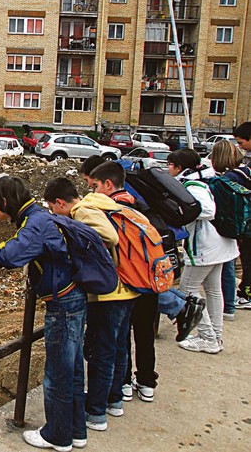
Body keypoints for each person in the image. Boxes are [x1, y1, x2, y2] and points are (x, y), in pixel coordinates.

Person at [86, 161, 201, 402]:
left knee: (122, 335)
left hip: (128, 279)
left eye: (94, 186)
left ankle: (124, 382)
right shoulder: (141, 203)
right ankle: (147, 382)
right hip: (151, 276)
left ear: (108, 184)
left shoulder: (111, 209)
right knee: (145, 333)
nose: (92, 191)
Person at [0, 176, 86, 451]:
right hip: (73, 297)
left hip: (63, 305)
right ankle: (76, 431)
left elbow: (9, 255)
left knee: (57, 373)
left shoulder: (35, 223)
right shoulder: (41, 216)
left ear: (5, 202)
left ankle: (57, 436)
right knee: (73, 369)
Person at [43, 178, 133, 432]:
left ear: (59, 203)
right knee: (117, 346)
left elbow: (109, 237)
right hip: (124, 285)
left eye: (53, 208)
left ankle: (96, 412)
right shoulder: (102, 204)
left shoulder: (81, 212)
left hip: (109, 292)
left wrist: (77, 237)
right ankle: (114, 400)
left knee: (101, 351)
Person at [168, 149, 239, 353]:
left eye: (170, 165)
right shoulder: (206, 178)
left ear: (179, 167)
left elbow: (208, 210)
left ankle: (207, 336)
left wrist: (181, 212)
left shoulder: (193, 185)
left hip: (205, 246)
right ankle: (215, 336)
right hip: (221, 243)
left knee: (187, 290)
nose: (168, 168)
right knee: (213, 290)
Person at [210, 140, 251, 316]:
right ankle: (236, 300)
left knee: (233, 264)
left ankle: (237, 300)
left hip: (233, 227)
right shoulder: (246, 172)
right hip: (246, 223)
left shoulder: (225, 180)